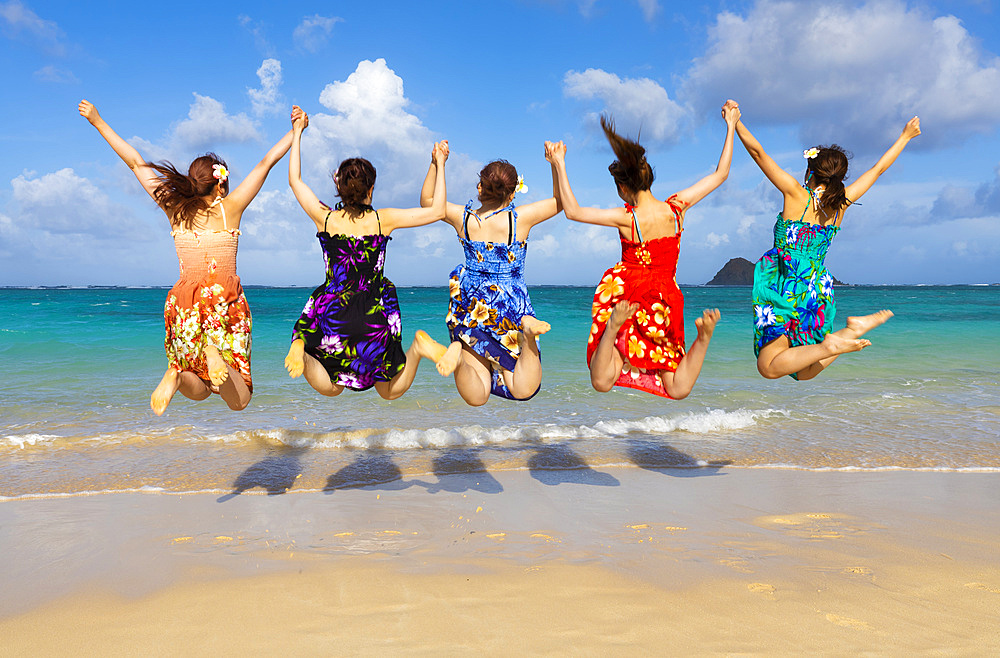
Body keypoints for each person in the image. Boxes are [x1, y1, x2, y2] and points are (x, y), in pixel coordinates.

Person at [79, 99, 294, 415]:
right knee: (240, 399)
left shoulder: (174, 210)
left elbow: (136, 163)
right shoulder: (229, 209)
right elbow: (265, 163)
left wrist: (97, 121)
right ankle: (213, 353)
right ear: (220, 183)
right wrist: (295, 130)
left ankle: (176, 376)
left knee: (198, 385)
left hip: (184, 307)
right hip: (224, 304)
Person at [546, 102, 739, 399]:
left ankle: (613, 330)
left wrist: (558, 163)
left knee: (601, 381)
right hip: (664, 302)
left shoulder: (627, 218)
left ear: (623, 188)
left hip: (627, 298)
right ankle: (703, 338)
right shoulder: (677, 208)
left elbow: (572, 211)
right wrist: (731, 125)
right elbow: (720, 174)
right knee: (677, 389)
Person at [283, 108, 461, 399]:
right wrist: (438, 164)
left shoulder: (324, 218)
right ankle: (418, 349)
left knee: (331, 388)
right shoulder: (383, 220)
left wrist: (298, 131)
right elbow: (438, 210)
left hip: (333, 310)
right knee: (388, 391)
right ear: (371, 188)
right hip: (374, 310)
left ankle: (302, 351)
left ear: (338, 187)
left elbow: (295, 180)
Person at [736, 108, 921, 380]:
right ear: (839, 176)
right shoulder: (841, 202)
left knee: (768, 367)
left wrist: (735, 121)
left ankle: (831, 344)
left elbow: (758, 154)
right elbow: (878, 169)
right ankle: (851, 331)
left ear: (811, 170)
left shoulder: (795, 193)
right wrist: (905, 136)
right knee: (803, 373)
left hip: (784, 285)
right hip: (816, 288)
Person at [419, 143, 561, 405]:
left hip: (472, 307)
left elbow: (428, 202)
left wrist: (437, 163)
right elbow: (560, 202)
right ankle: (528, 334)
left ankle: (459, 355)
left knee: (478, 396)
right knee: (523, 388)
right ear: (512, 192)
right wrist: (557, 163)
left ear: (480, 188)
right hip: (509, 307)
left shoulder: (462, 217)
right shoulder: (519, 219)